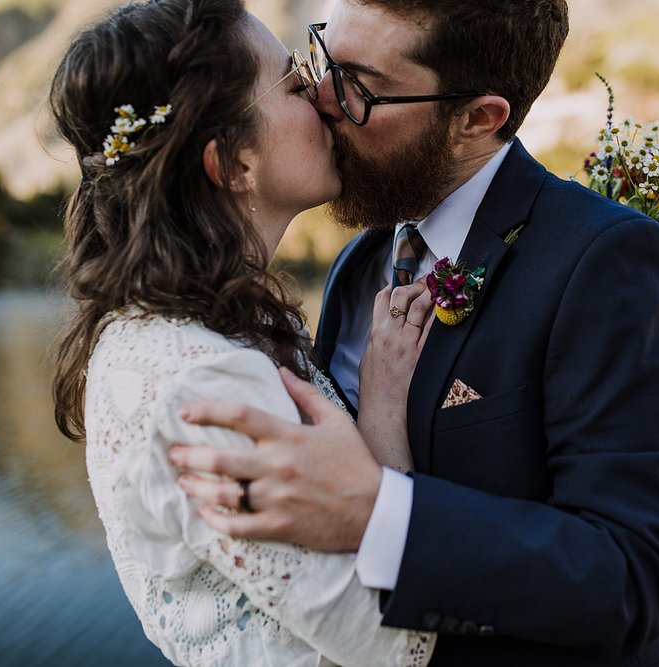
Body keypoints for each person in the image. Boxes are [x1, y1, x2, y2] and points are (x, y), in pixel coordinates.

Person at [168, 0, 659, 665]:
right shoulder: (364, 262)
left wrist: (379, 513)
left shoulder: (608, 259)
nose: (319, 97)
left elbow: (635, 571)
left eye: (359, 85)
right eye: (324, 58)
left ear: (477, 119)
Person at [49, 0, 437, 664]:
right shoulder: (200, 383)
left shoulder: (183, 329)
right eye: (291, 83)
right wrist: (381, 417)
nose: (321, 94)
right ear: (231, 164)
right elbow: (394, 641)